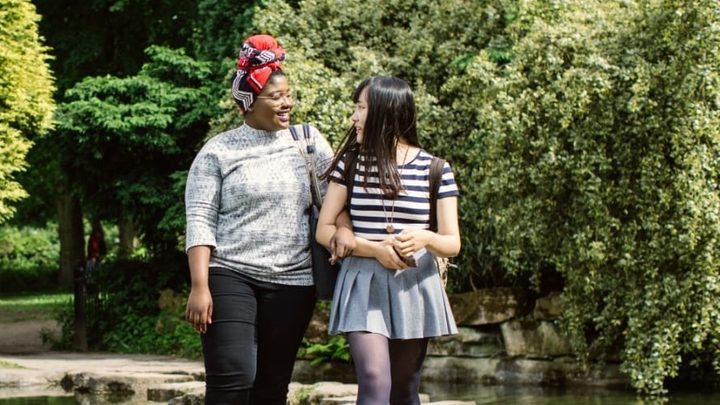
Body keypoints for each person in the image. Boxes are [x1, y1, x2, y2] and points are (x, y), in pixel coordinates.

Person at [184, 34, 352, 404]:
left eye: (288, 94)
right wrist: (200, 285)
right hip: (231, 273)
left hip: (294, 280)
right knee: (234, 375)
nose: (287, 102)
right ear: (249, 102)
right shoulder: (218, 151)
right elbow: (199, 219)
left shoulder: (308, 142)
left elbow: (333, 201)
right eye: (276, 97)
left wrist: (343, 230)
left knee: (272, 386)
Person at [316, 76, 461, 404]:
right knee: (374, 378)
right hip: (362, 281)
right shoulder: (349, 163)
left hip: (414, 283)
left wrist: (426, 236)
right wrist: (373, 249)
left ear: (386, 112)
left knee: (405, 388)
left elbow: (453, 242)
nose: (354, 116)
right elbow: (324, 229)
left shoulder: (435, 168)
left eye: (361, 107)